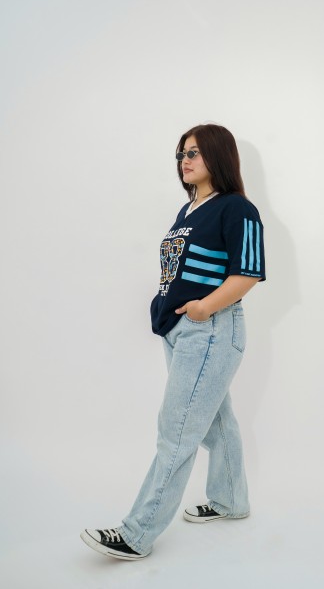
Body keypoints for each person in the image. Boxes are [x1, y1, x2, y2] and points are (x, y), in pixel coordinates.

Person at [80, 123, 266, 560]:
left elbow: (248, 273)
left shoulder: (237, 207)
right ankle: (231, 500)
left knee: (176, 430)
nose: (184, 160)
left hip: (211, 329)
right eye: (181, 153)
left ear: (218, 155)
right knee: (216, 423)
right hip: (182, 330)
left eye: (194, 152)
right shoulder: (188, 210)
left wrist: (203, 308)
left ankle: (137, 533)